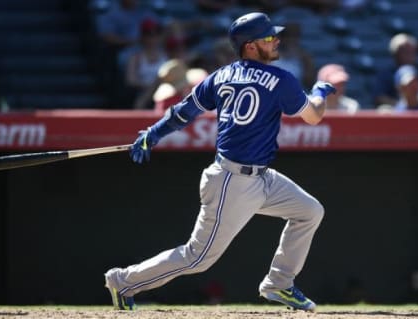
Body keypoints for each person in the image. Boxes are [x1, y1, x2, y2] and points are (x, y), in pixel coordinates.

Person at [105, 12, 336, 312]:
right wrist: (319, 92)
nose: (276, 41)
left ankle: (279, 283)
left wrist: (153, 133)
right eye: (269, 38)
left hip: (261, 177)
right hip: (233, 181)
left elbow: (182, 112)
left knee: (309, 211)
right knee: (197, 257)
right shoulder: (280, 79)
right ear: (250, 46)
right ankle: (123, 281)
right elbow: (314, 116)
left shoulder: (221, 75)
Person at [373, 33, 418, 108]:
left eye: (412, 51)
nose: (410, 55)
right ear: (395, 54)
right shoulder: (385, 74)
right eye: (405, 51)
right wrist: (407, 105)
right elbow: (379, 97)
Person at [124, 17, 168, 109]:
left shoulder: (166, 57)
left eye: (156, 34)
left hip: (164, 94)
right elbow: (131, 80)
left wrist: (156, 86)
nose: (152, 38)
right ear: (142, 36)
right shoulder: (136, 58)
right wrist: (151, 86)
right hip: (142, 92)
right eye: (148, 34)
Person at [270, 22, 315, 88]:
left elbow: (310, 82)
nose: (291, 40)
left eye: (294, 36)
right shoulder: (268, 56)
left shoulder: (304, 57)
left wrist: (306, 62)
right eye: (287, 36)